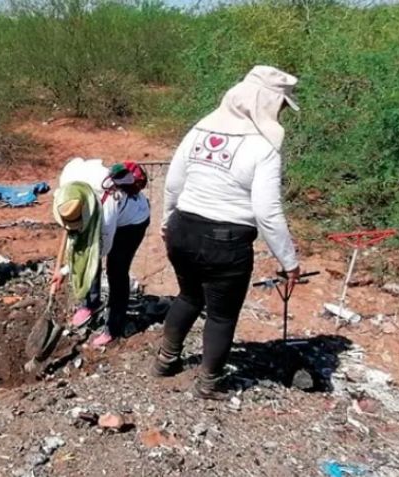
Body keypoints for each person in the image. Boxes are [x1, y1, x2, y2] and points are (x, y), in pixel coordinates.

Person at [152, 65, 302, 399]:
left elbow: (174, 184)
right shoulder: (263, 146)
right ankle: (209, 383)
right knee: (221, 315)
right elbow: (267, 212)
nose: (281, 112)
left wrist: (166, 223)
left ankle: (165, 361)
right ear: (267, 103)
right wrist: (289, 261)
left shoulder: (200, 129)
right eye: (280, 104)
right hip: (225, 243)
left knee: (189, 296)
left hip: (182, 230)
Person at [51, 158, 151, 346]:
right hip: (100, 213)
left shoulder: (107, 206)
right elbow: (72, 229)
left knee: (116, 271)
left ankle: (114, 327)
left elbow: (97, 252)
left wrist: (64, 271)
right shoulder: (69, 185)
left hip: (131, 223)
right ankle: (91, 303)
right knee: (84, 249)